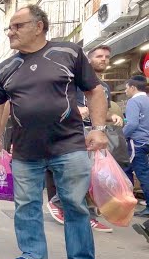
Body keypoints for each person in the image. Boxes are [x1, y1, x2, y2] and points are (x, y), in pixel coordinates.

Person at [0, 4, 108, 259]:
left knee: (74, 205)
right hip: (25, 150)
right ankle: (33, 255)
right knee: (25, 204)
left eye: (17, 26)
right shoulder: (5, 67)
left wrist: (99, 129)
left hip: (69, 145)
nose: (10, 32)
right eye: (9, 28)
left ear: (38, 26)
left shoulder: (68, 52)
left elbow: (94, 90)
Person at [46, 44, 123, 232]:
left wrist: (110, 116)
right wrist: (76, 109)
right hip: (75, 132)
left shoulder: (104, 86)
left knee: (95, 175)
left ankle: (86, 214)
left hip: (96, 133)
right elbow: (60, 101)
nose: (103, 59)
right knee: (83, 173)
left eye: (106, 56)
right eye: (99, 56)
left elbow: (97, 109)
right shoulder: (76, 81)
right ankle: (59, 203)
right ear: (89, 59)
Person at [123, 77, 149, 217]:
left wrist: (122, 135)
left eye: (127, 87)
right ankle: (128, 200)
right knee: (128, 169)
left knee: (142, 174)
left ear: (133, 87)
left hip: (137, 142)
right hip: (147, 141)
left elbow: (132, 124)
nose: (125, 90)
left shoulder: (134, 101)